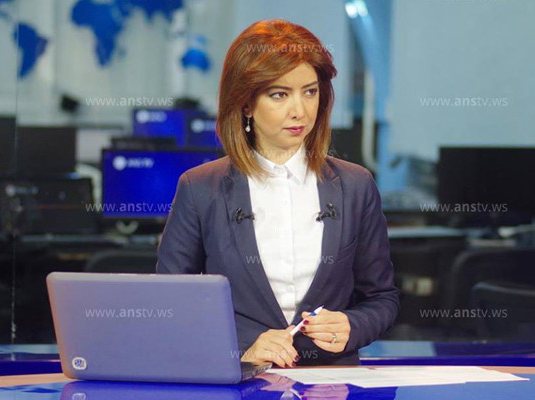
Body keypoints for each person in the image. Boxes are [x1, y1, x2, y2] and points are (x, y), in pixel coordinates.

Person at [157, 19, 399, 367]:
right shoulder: (200, 188)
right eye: (279, 95)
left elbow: (382, 298)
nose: (300, 110)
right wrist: (243, 348)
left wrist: (353, 325)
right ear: (246, 103)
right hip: (241, 379)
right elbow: (169, 307)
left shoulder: (356, 185)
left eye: (310, 92)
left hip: (330, 383)